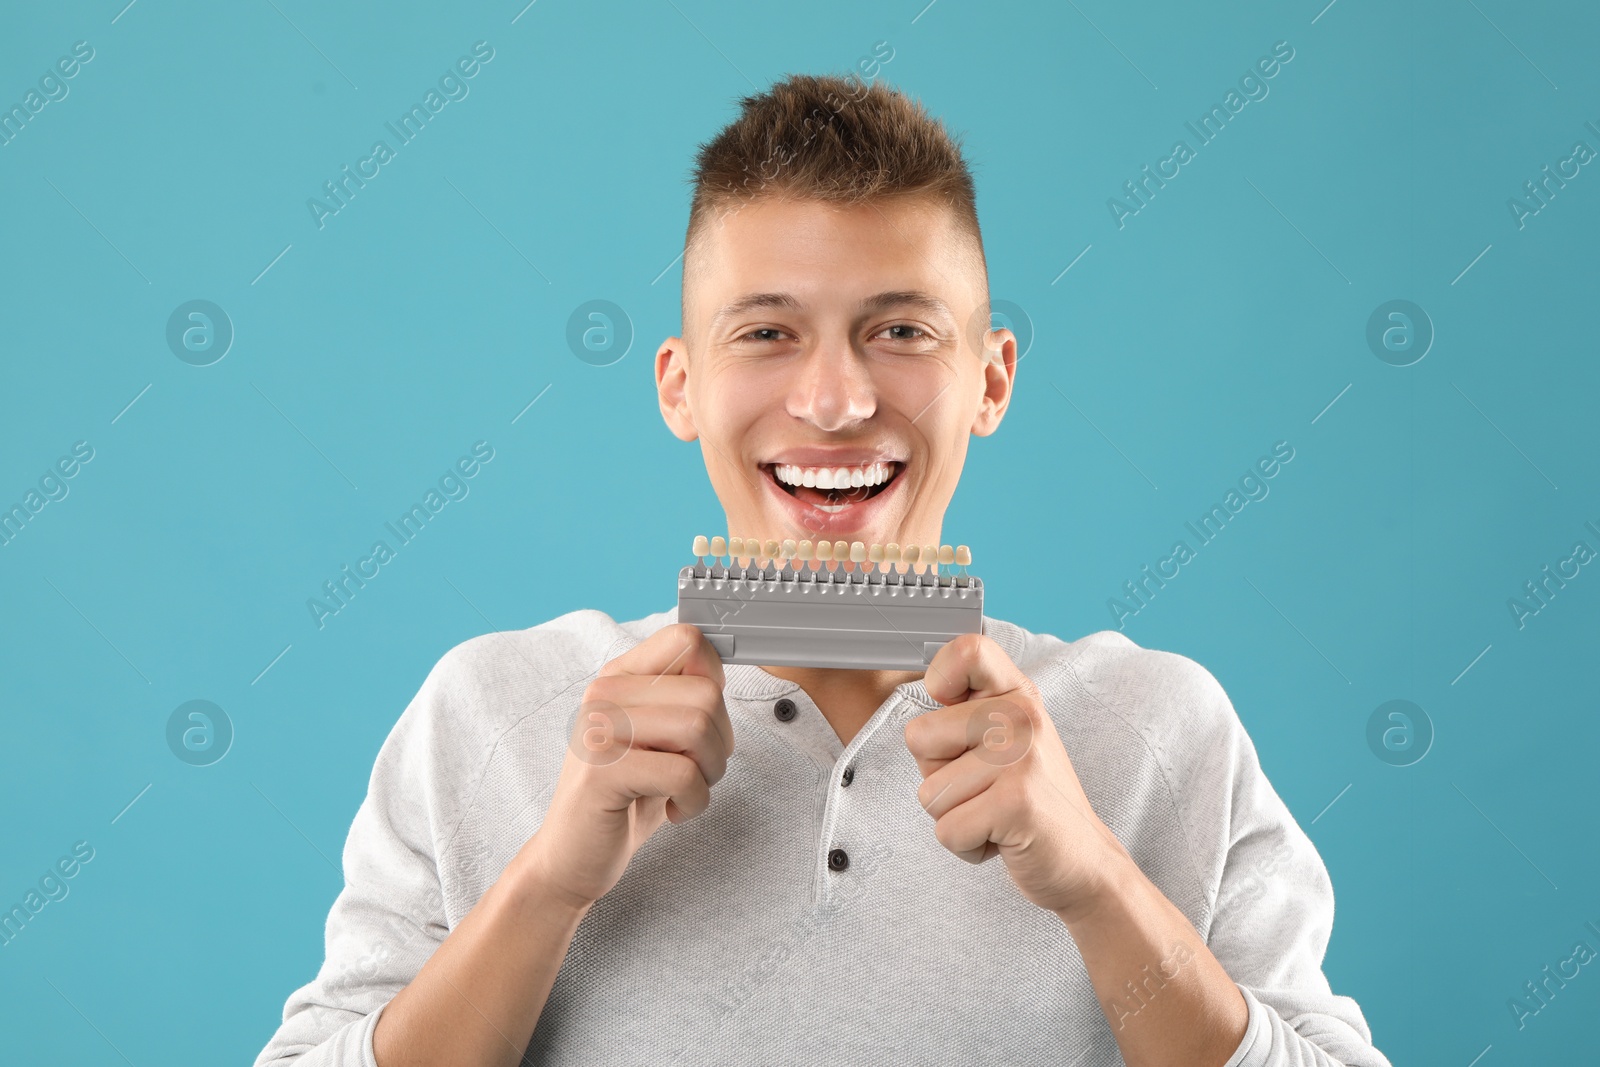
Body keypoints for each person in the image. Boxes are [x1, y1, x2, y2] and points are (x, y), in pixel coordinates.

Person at [254, 73, 1392, 1067]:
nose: (837, 400)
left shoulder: (1162, 727)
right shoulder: (483, 713)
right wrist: (547, 883)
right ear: (679, 384)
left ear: (991, 380)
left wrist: (1099, 883)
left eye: (901, 331)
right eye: (765, 333)